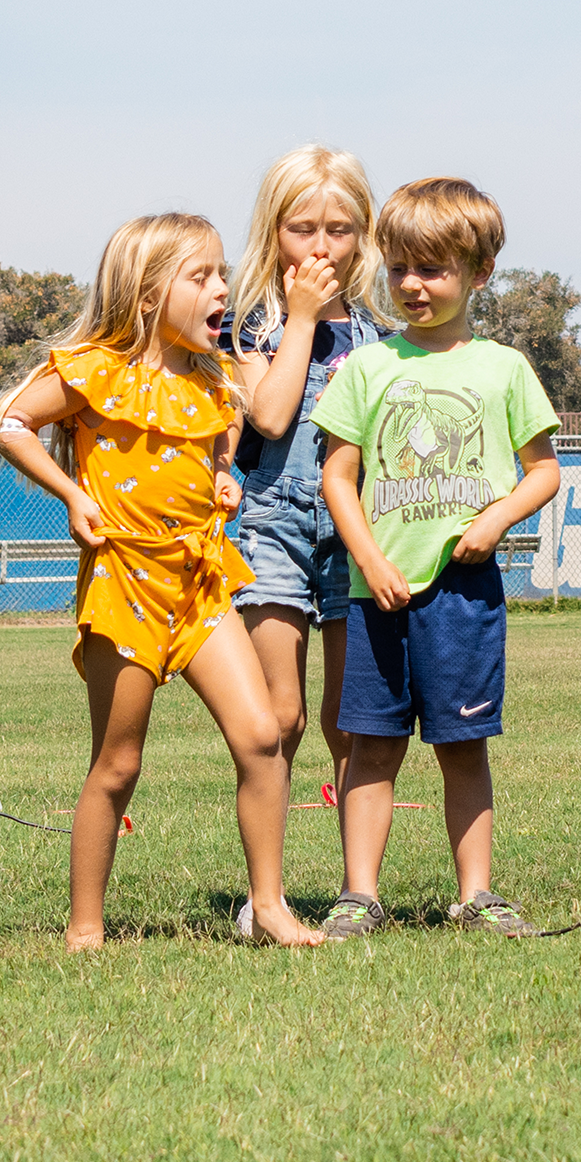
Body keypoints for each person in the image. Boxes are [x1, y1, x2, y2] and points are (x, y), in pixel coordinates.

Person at [0, 214, 319, 948]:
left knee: (262, 736)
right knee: (119, 760)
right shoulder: (95, 367)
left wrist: (224, 481)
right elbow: (9, 423)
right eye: (202, 277)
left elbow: (220, 449)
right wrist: (73, 494)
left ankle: (269, 908)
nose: (222, 289)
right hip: (125, 583)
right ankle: (86, 927)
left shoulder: (216, 381)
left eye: (222, 273)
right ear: (146, 294)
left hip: (200, 583)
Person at [313, 178, 564, 939]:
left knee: (463, 746)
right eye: (399, 269)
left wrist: (496, 517)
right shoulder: (364, 367)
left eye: (434, 270)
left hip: (465, 594)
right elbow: (337, 476)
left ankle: (476, 895)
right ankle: (360, 894)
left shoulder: (505, 368)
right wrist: (369, 560)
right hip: (377, 594)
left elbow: (545, 470)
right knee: (371, 746)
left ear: (480, 272)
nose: (413, 286)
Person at [225, 146, 394, 800]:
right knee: (279, 717)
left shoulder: (377, 334)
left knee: (352, 723)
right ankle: (263, 895)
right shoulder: (251, 326)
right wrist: (298, 319)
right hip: (276, 520)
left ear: (364, 236)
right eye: (302, 229)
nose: (321, 246)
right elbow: (267, 417)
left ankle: (356, 892)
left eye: (339, 230)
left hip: (356, 524)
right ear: (273, 229)